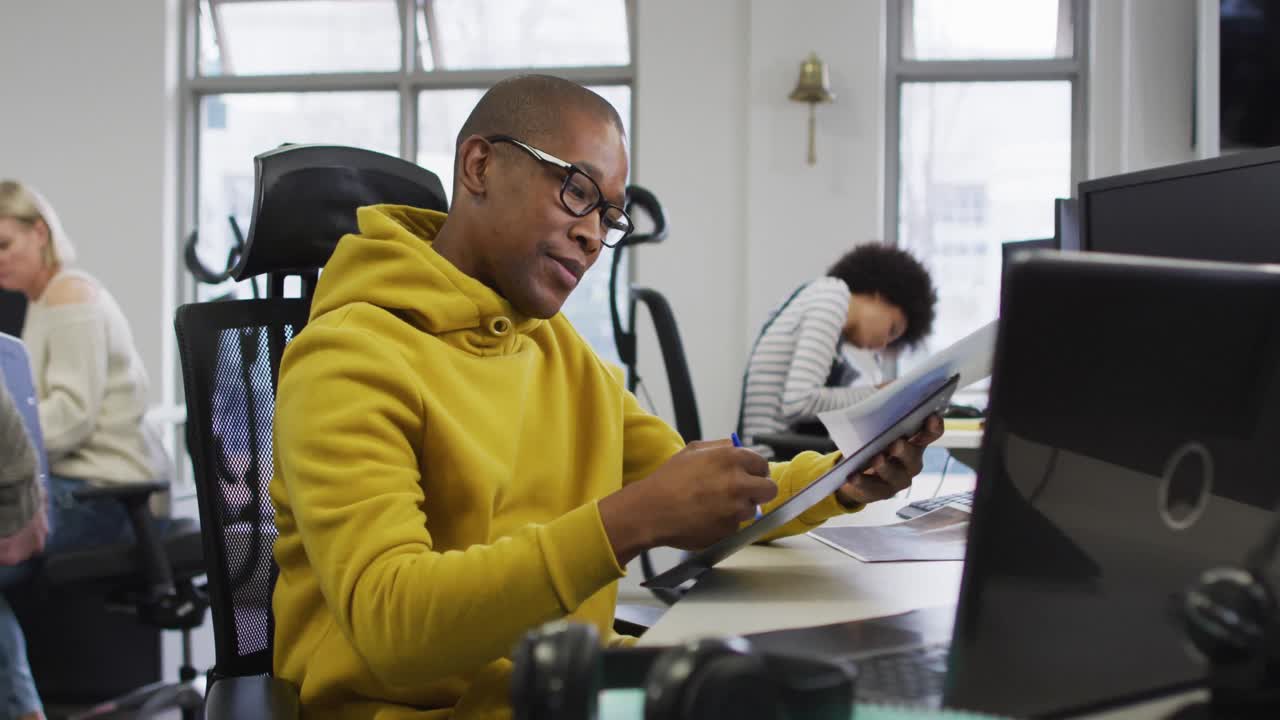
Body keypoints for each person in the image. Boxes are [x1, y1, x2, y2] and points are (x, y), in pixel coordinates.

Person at [270, 75, 942, 719]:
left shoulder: (556, 349)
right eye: (577, 191)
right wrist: (628, 522)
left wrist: (847, 476)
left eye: (609, 215)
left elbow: (703, 485)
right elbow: (394, 626)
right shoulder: (348, 357)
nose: (594, 235)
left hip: (560, 690)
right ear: (478, 165)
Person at [0, 181, 171, 720]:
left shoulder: (70, 298)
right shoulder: (44, 301)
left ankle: (23, 710)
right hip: (75, 485)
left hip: (105, 493)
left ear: (40, 232)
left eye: (4, 245)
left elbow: (68, 419)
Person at [739, 244, 937, 456]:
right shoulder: (833, 297)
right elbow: (798, 402)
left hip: (772, 458)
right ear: (881, 294)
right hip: (769, 463)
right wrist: (880, 395)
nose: (881, 345)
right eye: (891, 330)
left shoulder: (818, 297)